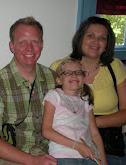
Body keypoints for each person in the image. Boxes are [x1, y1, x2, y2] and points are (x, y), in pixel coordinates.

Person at [50, 16, 126, 164]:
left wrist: (90, 124)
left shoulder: (115, 66)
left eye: (102, 38)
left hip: (109, 142)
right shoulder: (60, 67)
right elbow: (49, 112)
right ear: (80, 39)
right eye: (90, 35)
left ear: (107, 43)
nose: (96, 42)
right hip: (68, 144)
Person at [0, 16, 57, 165]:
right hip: (9, 157)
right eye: (22, 42)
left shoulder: (53, 78)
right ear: (12, 46)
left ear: (41, 45)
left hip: (49, 153)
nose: (29, 48)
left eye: (34, 42)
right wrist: (33, 161)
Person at [42, 58, 107, 165]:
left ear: (84, 78)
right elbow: (46, 131)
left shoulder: (85, 100)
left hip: (90, 156)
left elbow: (95, 134)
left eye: (78, 72)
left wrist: (103, 162)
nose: (74, 75)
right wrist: (78, 146)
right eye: (68, 73)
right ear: (59, 80)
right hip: (63, 155)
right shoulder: (54, 95)